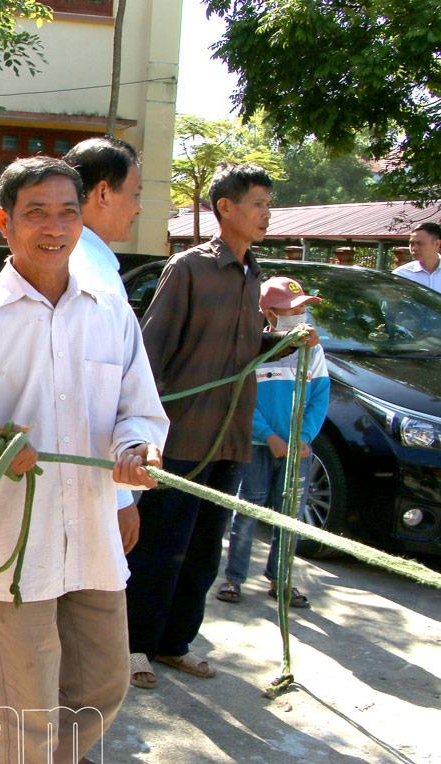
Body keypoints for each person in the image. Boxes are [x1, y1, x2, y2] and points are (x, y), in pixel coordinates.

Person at [0, 156, 167, 764]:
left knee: (104, 687)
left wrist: (139, 448)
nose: (54, 228)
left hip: (92, 537)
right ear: (4, 223)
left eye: (68, 212)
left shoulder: (112, 312)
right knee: (27, 712)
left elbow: (140, 409)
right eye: (36, 213)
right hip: (16, 550)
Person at [124, 164, 318, 690]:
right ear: (224, 208)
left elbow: (238, 352)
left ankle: (174, 644)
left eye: (268, 204)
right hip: (183, 436)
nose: (266, 213)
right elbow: (152, 348)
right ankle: (134, 645)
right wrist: (143, 431)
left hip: (232, 439)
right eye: (257, 202)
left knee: (206, 548)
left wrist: (281, 344)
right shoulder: (188, 269)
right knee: (161, 544)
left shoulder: (255, 273)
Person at [218, 277, 330, 608]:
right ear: (268, 313)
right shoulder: (255, 348)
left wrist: (303, 438)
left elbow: (320, 396)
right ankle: (234, 578)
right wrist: (268, 436)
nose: (300, 315)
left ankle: (281, 579)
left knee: (290, 513)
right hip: (257, 446)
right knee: (248, 508)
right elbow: (242, 400)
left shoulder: (314, 351)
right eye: (291, 309)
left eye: (303, 308)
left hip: (299, 450)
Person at [64, 137, 146, 568]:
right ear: (101, 193)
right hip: (83, 486)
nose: (138, 208)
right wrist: (121, 497)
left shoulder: (79, 264)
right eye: (134, 194)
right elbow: (96, 397)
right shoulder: (92, 277)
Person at [393, 222, 441, 293]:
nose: (414, 248)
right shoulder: (401, 275)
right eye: (411, 243)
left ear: (437, 244)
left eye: (420, 243)